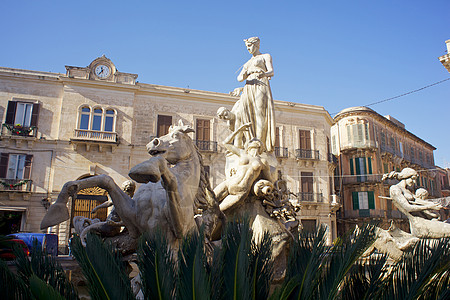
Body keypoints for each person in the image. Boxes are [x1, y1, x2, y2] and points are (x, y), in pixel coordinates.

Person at [218, 37, 276, 152]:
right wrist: (246, 73)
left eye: (250, 46)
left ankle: (259, 142)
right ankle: (249, 140)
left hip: (260, 84)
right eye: (247, 47)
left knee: (260, 113)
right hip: (248, 87)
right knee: (245, 114)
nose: (249, 49)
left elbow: (272, 72)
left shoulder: (265, 56)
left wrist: (263, 74)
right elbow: (239, 78)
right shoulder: (247, 63)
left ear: (257, 45)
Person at [213, 122, 273, 214]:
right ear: (248, 145)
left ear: (260, 146)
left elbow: (269, 180)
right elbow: (225, 143)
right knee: (208, 203)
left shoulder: (263, 162)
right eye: (252, 141)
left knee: (218, 212)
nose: (254, 142)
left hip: (241, 191)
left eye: (256, 141)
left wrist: (264, 185)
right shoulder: (242, 153)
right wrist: (239, 130)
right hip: (228, 183)